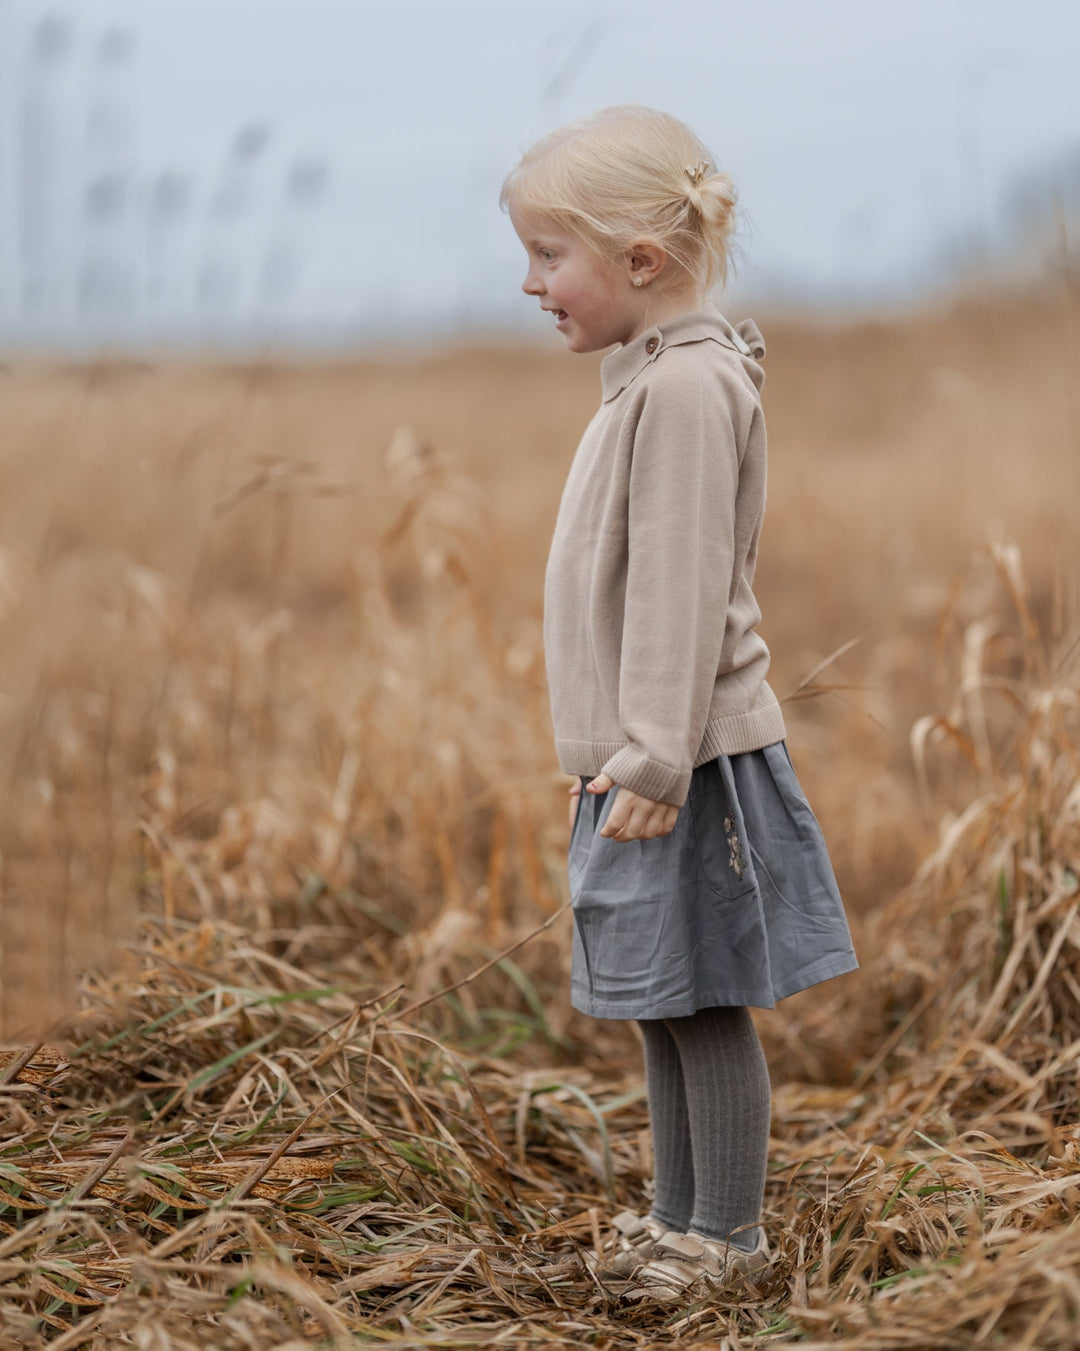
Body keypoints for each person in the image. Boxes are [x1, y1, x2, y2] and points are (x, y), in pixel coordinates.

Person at [500, 105, 858, 1302]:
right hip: (641, 756)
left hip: (687, 761)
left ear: (641, 262)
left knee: (702, 1002)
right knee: (662, 999)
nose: (531, 282)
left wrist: (652, 755)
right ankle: (676, 1221)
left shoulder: (692, 389)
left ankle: (727, 1242)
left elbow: (678, 589)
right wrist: (611, 749)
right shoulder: (648, 378)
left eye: (551, 255)